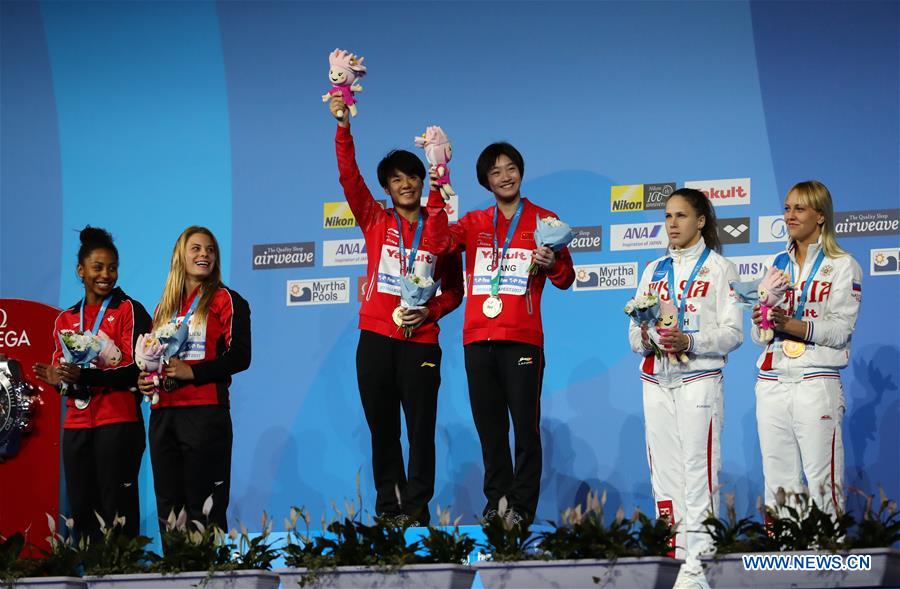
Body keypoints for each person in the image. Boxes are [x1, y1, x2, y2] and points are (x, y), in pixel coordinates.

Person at [329, 95, 464, 525]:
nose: (406, 184)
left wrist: (430, 313)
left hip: (420, 342)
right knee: (383, 430)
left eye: (413, 176)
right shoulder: (375, 220)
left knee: (421, 432)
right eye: (396, 179)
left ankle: (417, 511)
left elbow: (455, 291)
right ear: (386, 188)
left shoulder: (439, 228)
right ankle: (389, 510)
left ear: (423, 181)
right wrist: (343, 128)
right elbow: (349, 177)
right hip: (375, 340)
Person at [426, 141, 575, 527]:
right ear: (486, 181)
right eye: (496, 172)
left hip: (523, 339)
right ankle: (497, 504)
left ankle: (522, 508)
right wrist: (437, 190)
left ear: (521, 172)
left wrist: (552, 262)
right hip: (478, 339)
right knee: (490, 430)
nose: (505, 177)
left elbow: (565, 278)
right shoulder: (474, 222)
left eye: (511, 168)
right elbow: (438, 243)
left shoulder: (545, 221)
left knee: (525, 428)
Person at [627, 188, 742, 589]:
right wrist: (649, 336)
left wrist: (689, 340)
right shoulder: (653, 270)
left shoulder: (720, 269)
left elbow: (732, 333)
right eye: (667, 216)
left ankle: (701, 567)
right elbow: (633, 335)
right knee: (665, 476)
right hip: (656, 380)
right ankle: (676, 563)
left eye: (681, 216)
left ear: (701, 221)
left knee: (699, 472)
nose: (672, 224)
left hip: (699, 379)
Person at [752, 180, 861, 517]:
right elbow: (759, 335)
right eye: (787, 208)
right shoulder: (775, 263)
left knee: (823, 481)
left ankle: (826, 548)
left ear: (821, 215)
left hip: (815, 379)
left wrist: (790, 325)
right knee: (778, 482)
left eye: (799, 209)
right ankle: (785, 546)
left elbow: (840, 330)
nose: (790, 216)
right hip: (771, 381)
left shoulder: (842, 264)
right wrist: (762, 318)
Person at [34, 226, 151, 541]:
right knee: (83, 510)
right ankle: (90, 566)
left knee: (117, 510)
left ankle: (122, 566)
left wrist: (84, 376)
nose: (106, 275)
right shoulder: (66, 319)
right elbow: (66, 375)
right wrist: (58, 380)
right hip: (77, 425)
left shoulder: (129, 309)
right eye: (98, 267)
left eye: (112, 268)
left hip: (119, 422)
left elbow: (135, 368)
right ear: (80, 271)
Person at [137, 226, 251, 531]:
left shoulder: (226, 299)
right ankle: (176, 563)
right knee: (170, 511)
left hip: (204, 413)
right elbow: (156, 356)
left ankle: (208, 564)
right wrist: (147, 379)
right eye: (196, 248)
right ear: (180, 256)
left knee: (205, 509)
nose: (204, 255)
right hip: (163, 414)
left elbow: (240, 356)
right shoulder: (164, 307)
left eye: (210, 250)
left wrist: (194, 372)